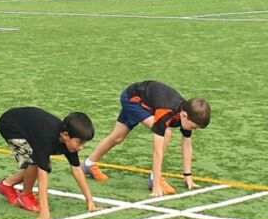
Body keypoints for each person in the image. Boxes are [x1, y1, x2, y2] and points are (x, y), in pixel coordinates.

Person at [81, 81, 211, 197]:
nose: (193, 130)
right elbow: (157, 150)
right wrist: (156, 186)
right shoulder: (167, 112)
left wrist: (187, 176)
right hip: (132, 100)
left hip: (143, 101)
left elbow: (187, 144)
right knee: (166, 132)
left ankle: (88, 164)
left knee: (117, 137)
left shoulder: (185, 114)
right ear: (184, 114)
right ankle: (154, 178)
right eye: (193, 127)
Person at [0, 107, 98, 219]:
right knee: (34, 163)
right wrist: (45, 211)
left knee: (39, 164)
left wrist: (90, 201)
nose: (81, 147)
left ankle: (6, 184)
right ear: (65, 135)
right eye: (79, 142)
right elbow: (42, 175)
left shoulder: (69, 144)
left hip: (30, 127)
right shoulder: (47, 139)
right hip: (11, 125)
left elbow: (77, 170)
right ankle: (25, 196)